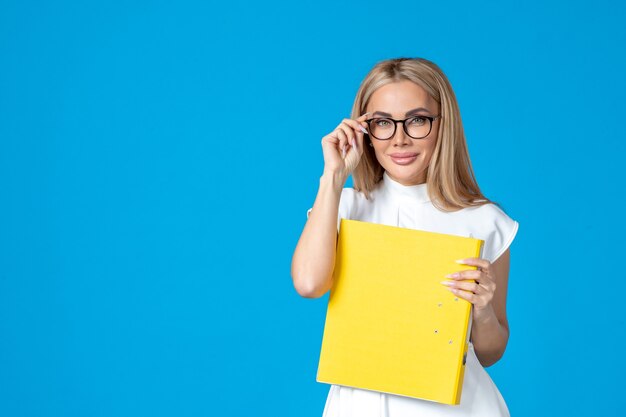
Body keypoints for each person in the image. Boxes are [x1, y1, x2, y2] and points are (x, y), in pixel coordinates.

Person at [291, 57, 519, 417]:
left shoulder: (485, 220)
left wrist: (484, 310)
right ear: (363, 130)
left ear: (443, 125)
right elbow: (308, 284)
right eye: (383, 123)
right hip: (361, 404)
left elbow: (490, 352)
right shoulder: (344, 205)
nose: (399, 138)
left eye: (417, 121)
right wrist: (333, 177)